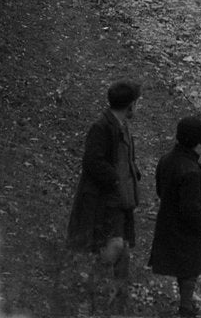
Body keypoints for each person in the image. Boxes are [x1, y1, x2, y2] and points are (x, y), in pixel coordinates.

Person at [67, 79, 143, 314]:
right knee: (112, 247)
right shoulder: (102, 127)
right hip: (103, 201)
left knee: (122, 250)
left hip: (118, 200)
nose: (137, 108)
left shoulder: (120, 126)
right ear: (130, 105)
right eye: (136, 103)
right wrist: (116, 179)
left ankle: (116, 301)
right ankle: (91, 292)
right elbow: (92, 162)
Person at [149, 116, 201, 318]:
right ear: (200, 141)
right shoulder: (192, 170)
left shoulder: (165, 160)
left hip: (168, 221)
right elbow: (191, 207)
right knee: (190, 268)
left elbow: (160, 190)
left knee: (183, 267)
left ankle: (186, 304)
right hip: (186, 228)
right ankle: (186, 307)